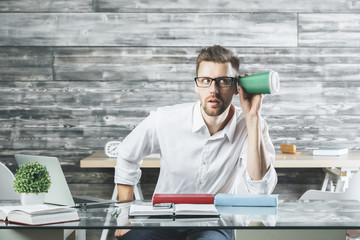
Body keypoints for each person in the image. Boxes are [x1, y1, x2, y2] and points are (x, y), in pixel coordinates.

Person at [114, 45, 277, 239]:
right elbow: (126, 154)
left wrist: (253, 118)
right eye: (205, 81)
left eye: (223, 81)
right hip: (165, 220)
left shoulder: (252, 124)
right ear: (196, 85)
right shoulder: (166, 119)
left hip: (215, 224)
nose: (213, 90)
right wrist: (124, 217)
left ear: (236, 87)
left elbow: (260, 188)